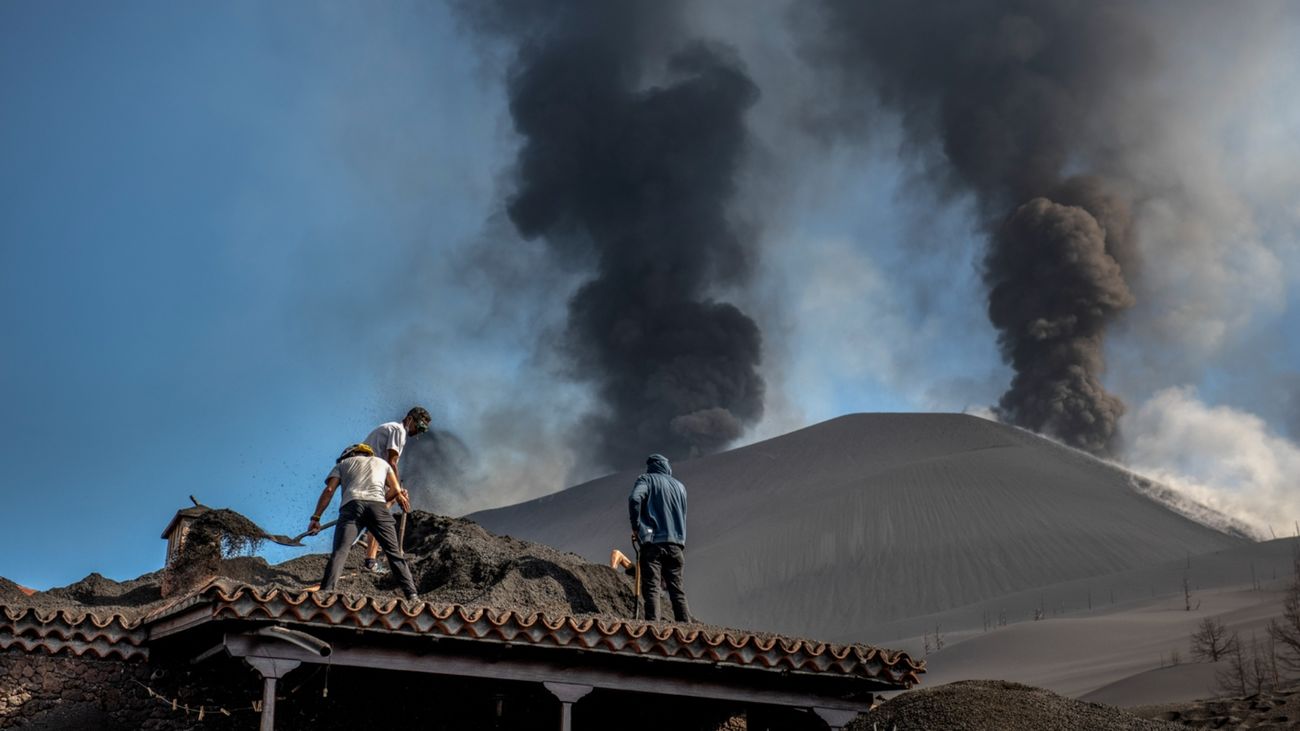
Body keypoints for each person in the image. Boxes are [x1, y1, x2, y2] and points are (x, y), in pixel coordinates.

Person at [308, 443, 419, 600]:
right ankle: (412, 594)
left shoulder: (342, 464)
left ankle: (326, 593)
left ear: (350, 455)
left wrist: (316, 518)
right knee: (394, 553)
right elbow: (395, 490)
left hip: (351, 507)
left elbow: (329, 490)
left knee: (340, 552)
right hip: (378, 507)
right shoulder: (383, 463)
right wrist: (378, 500)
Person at [358, 407, 431, 573]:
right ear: (410, 419)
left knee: (385, 505)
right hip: (370, 471)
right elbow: (392, 462)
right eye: (418, 427)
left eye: (422, 431)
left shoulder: (393, 429)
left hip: (367, 471)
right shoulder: (398, 430)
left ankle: (369, 548)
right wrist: (398, 490)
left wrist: (397, 490)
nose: (417, 433)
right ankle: (370, 559)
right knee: (381, 513)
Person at [628, 453, 691, 622]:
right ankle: (687, 631)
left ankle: (653, 629)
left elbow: (635, 498)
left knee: (652, 587)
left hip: (653, 543)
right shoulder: (680, 487)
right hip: (676, 545)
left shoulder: (646, 480)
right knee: (677, 589)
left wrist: (636, 527)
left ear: (651, 467)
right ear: (667, 467)